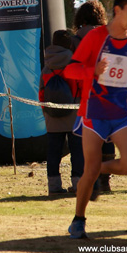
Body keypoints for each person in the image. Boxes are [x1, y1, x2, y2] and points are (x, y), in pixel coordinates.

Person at [64, 0, 127, 239]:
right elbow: (70, 71)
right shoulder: (96, 37)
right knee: (88, 172)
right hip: (94, 113)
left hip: (122, 112)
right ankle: (78, 220)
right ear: (117, 10)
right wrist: (93, 70)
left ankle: (100, 169)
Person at [72, 0, 115, 193]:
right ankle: (105, 181)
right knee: (108, 140)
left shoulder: (75, 38)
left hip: (84, 96)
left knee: (88, 142)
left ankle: (88, 179)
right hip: (109, 93)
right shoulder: (110, 35)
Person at [39, 30, 83, 195]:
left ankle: (54, 186)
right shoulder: (74, 63)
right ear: (69, 44)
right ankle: (78, 184)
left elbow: (41, 92)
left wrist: (46, 111)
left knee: (53, 153)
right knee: (77, 151)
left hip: (52, 116)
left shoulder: (46, 66)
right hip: (74, 115)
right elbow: (82, 87)